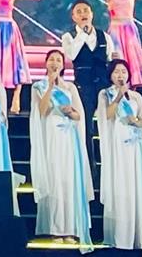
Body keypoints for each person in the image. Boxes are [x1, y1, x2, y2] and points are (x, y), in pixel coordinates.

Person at [30, 48, 93, 248]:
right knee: (55, 179)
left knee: (68, 181)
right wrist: (50, 86)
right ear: (46, 63)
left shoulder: (70, 87)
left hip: (68, 138)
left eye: (58, 60)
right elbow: (42, 110)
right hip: (51, 137)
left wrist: (70, 112)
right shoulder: (38, 86)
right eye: (52, 60)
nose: (55, 63)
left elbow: (79, 115)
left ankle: (71, 228)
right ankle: (55, 228)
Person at [99, 58, 142, 255]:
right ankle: (121, 236)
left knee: (136, 187)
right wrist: (118, 96)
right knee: (121, 186)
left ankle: (139, 236)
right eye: (117, 72)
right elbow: (107, 115)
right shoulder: (105, 94)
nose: (121, 75)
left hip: (134, 147)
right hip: (117, 147)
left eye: (124, 72)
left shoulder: (136, 96)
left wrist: (136, 121)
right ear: (110, 75)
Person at [63, 0, 105, 127]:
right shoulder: (68, 36)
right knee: (85, 123)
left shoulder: (103, 36)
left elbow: (110, 58)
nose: (83, 14)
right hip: (83, 86)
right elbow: (72, 54)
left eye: (86, 11)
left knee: (106, 122)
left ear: (92, 14)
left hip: (103, 85)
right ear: (74, 17)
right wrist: (82, 34)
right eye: (79, 12)